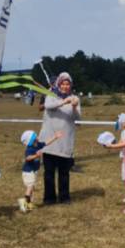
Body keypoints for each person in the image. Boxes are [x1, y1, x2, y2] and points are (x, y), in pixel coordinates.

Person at [40, 72, 81, 204]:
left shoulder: (75, 98)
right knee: (49, 172)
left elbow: (77, 118)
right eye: (63, 83)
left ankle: (64, 197)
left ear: (71, 85)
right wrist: (64, 102)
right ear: (59, 84)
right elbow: (47, 106)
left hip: (65, 141)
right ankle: (49, 198)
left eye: (67, 84)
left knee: (64, 172)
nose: (65, 86)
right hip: (49, 140)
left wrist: (74, 106)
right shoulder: (51, 95)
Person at [19, 129, 61, 213]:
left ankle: (28, 205)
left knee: (32, 188)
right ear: (31, 140)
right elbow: (28, 158)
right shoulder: (30, 149)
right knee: (29, 187)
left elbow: (46, 143)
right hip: (28, 172)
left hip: (33, 171)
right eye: (35, 137)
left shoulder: (37, 145)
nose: (38, 137)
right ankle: (24, 206)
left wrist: (55, 137)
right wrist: (36, 155)